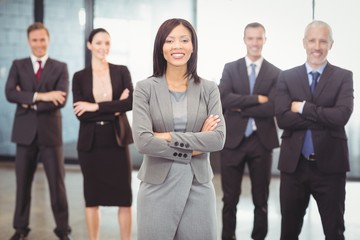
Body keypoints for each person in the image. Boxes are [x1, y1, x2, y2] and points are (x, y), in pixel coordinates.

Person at [131, 18, 225, 240]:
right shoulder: (144, 89)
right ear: (161, 47)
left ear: (193, 46)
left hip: (198, 186)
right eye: (170, 40)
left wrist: (166, 136)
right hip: (157, 187)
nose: (177, 46)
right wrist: (194, 145)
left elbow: (218, 139)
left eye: (184, 40)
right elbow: (143, 141)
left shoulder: (209, 89)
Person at [275, 20, 353, 240]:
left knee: (334, 231)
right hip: (294, 168)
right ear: (304, 43)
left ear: (331, 44)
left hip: (331, 168)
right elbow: (282, 118)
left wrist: (302, 108)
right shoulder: (287, 77)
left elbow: (341, 117)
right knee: (288, 232)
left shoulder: (343, 76)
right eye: (312, 40)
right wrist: (324, 115)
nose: (317, 46)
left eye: (323, 41)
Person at [5, 22, 71, 240]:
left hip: (50, 135)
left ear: (48, 40)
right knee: (22, 184)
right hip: (24, 135)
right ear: (28, 41)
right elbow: (9, 94)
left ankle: (63, 231)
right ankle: (20, 229)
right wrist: (42, 96)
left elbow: (60, 99)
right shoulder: (18, 65)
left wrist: (27, 98)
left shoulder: (60, 66)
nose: (39, 44)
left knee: (57, 186)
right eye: (35, 40)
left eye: (43, 39)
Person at [218, 22, 281, 240]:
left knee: (261, 200)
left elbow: (273, 107)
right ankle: (228, 237)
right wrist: (256, 100)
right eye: (251, 38)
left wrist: (240, 107)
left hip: (261, 142)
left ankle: (259, 237)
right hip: (233, 141)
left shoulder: (275, 73)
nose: (255, 43)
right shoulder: (230, 68)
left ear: (265, 39)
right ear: (244, 39)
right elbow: (223, 98)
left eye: (259, 38)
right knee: (230, 199)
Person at [72, 28, 133, 240]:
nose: (103, 48)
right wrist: (115, 108)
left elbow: (130, 102)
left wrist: (94, 107)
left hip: (117, 140)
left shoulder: (121, 71)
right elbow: (81, 114)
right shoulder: (79, 77)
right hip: (91, 144)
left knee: (124, 197)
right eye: (98, 43)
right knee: (92, 198)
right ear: (89, 45)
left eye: (107, 43)